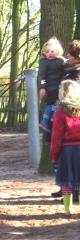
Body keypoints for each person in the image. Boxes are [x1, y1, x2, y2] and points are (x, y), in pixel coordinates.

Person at [51, 80, 80, 215]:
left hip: (67, 151)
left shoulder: (60, 111)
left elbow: (56, 136)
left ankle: (68, 211)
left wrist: (55, 155)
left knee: (66, 182)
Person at [38, 37, 65, 133]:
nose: (49, 53)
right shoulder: (44, 62)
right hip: (49, 88)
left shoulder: (61, 61)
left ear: (57, 52)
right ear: (44, 53)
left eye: (52, 51)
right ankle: (46, 120)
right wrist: (42, 88)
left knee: (57, 102)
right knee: (51, 103)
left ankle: (53, 117)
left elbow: (66, 65)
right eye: (47, 51)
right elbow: (42, 77)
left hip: (60, 87)